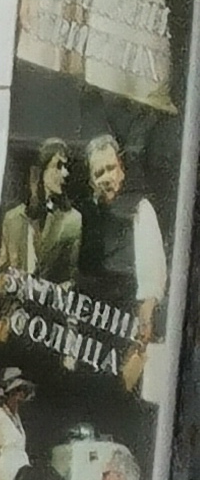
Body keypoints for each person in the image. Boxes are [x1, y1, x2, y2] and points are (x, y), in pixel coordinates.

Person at [82, 129, 172, 380]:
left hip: (126, 328)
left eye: (110, 168)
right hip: (93, 327)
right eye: (99, 173)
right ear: (91, 181)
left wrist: (139, 346)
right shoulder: (89, 217)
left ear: (121, 168)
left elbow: (152, 281)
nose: (106, 178)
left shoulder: (140, 210)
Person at [0, 136, 85, 316]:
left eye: (66, 167)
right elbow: (1, 272)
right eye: (58, 166)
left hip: (50, 319)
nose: (65, 173)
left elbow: (72, 278)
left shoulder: (73, 220)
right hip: (15, 317)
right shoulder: (12, 219)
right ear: (40, 171)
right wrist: (4, 283)